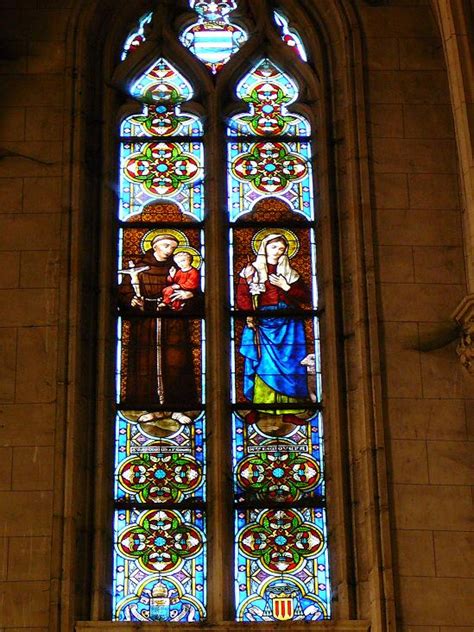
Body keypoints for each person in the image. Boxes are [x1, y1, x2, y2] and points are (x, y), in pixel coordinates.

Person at [118, 234, 201, 408]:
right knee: (143, 362)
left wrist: (190, 294)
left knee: (177, 360)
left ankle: (179, 406)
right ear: (154, 246)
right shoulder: (139, 267)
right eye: (166, 245)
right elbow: (124, 293)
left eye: (172, 247)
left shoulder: (177, 268)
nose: (169, 250)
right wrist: (132, 300)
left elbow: (197, 292)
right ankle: (145, 406)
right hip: (144, 322)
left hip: (174, 321)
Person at [236, 232, 310, 425]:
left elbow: (305, 297)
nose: (278, 251)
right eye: (274, 247)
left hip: (289, 324)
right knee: (262, 364)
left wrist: (286, 286)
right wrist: (250, 309)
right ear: (264, 248)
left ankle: (289, 410)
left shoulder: (290, 273)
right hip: (262, 322)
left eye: (282, 248)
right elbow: (242, 297)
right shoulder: (251, 270)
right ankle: (259, 407)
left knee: (291, 364)